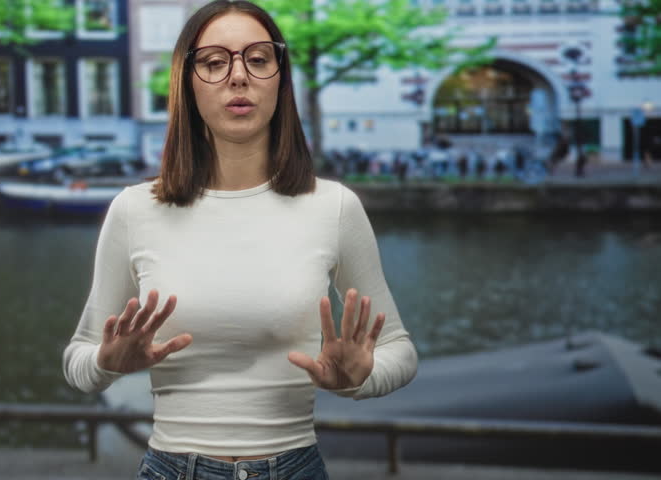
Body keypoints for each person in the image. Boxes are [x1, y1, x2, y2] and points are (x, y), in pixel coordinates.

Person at [62, 2, 418, 479]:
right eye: (213, 62)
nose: (238, 77)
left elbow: (400, 350)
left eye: (258, 59)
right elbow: (78, 359)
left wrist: (360, 378)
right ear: (187, 81)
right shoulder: (134, 209)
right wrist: (106, 362)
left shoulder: (333, 207)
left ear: (280, 77)